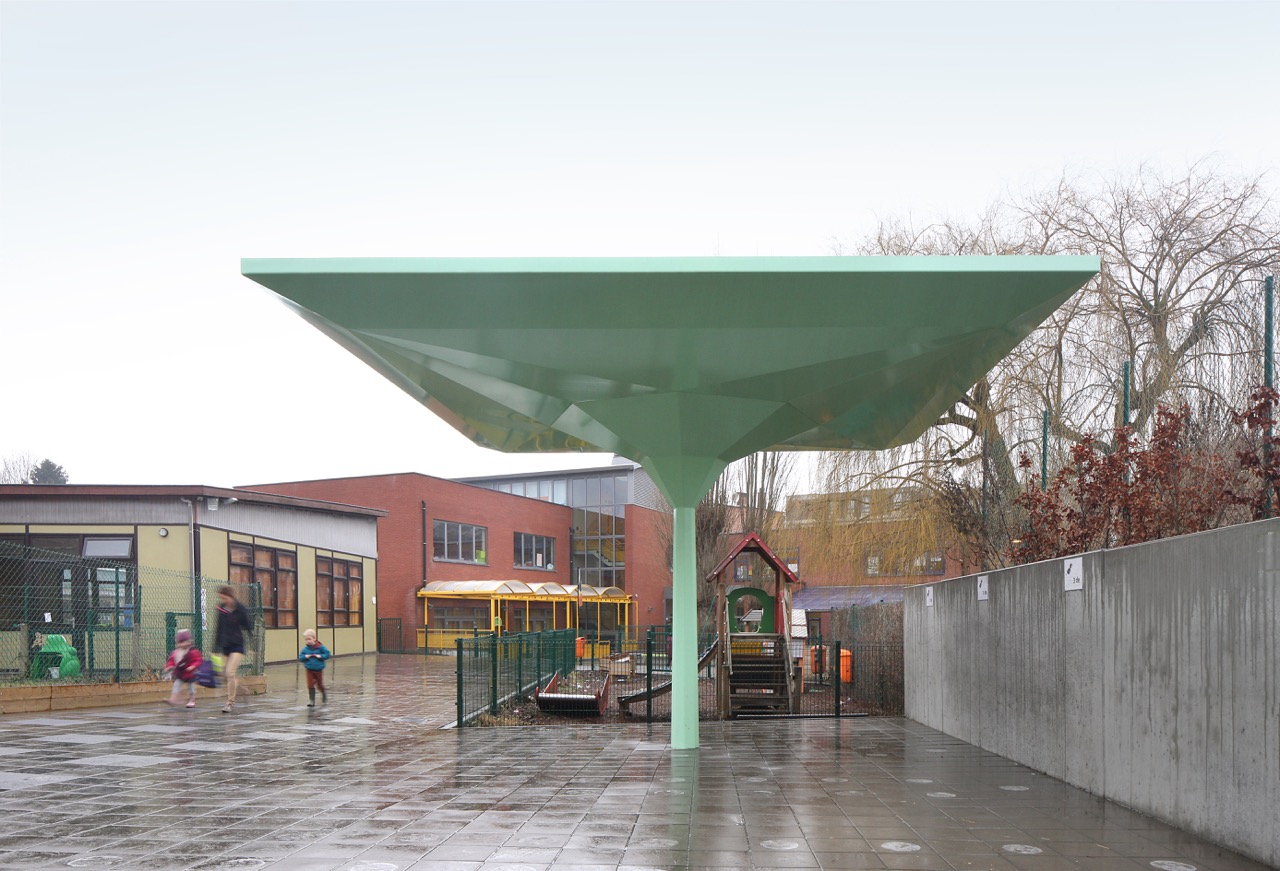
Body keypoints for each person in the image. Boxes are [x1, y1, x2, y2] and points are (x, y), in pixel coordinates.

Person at [214, 585, 253, 713]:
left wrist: (253, 645)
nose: (223, 600)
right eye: (221, 598)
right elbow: (218, 628)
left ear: (231, 596)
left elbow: (248, 627)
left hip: (237, 645)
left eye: (225, 598)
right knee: (227, 675)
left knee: (229, 673)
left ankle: (230, 703)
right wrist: (215, 647)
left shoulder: (240, 609)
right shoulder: (221, 609)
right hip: (226, 645)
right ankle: (242, 690)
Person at [163, 628, 203, 708]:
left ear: (189, 642)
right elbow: (171, 661)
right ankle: (173, 699)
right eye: (181, 642)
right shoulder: (176, 653)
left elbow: (198, 660)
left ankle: (192, 700)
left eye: (185, 641)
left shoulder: (193, 651)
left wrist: (193, 666)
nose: (183, 644)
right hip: (180, 674)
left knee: (191, 687)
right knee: (176, 685)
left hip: (191, 674)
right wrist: (169, 667)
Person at [298, 629, 331, 706]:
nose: (308, 641)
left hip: (318, 669)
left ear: (314, 639)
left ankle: (323, 693)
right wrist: (305, 657)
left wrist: (321, 656)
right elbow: (300, 658)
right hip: (309, 669)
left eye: (309, 639)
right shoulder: (305, 649)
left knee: (319, 684)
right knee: (310, 684)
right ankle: (311, 701)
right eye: (306, 639)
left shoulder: (320, 647)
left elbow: (327, 654)